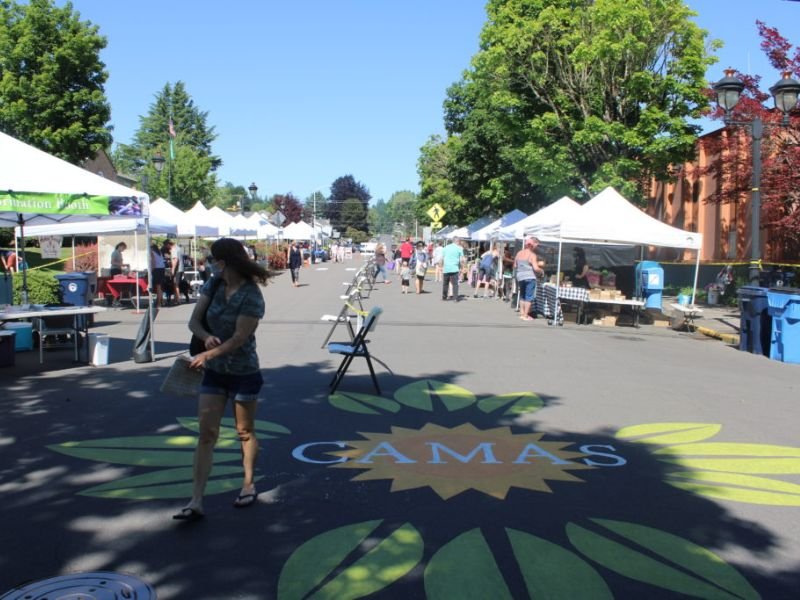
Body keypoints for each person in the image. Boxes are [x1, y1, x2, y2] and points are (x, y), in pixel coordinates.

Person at [173, 237, 270, 522]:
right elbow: (193, 322)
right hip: (215, 373)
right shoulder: (213, 285)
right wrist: (205, 338)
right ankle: (196, 500)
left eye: (213, 258)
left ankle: (248, 483)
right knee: (206, 434)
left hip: (244, 372)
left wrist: (209, 354)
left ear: (224, 261)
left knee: (244, 431)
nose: (210, 262)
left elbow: (240, 338)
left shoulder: (252, 295)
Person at [515, 236, 545, 320]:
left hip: (520, 276)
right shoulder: (532, 255)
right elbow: (535, 268)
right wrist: (541, 270)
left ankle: (521, 313)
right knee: (529, 296)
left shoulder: (519, 253)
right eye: (536, 245)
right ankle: (525, 315)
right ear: (532, 245)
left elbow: (515, 265)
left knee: (522, 295)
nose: (536, 247)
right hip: (529, 277)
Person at [150, 243, 166, 308]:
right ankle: (162, 301)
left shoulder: (152, 252)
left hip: (157, 270)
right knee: (160, 287)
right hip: (162, 269)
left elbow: (153, 262)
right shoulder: (159, 252)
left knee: (158, 287)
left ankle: (159, 303)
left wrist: (151, 270)